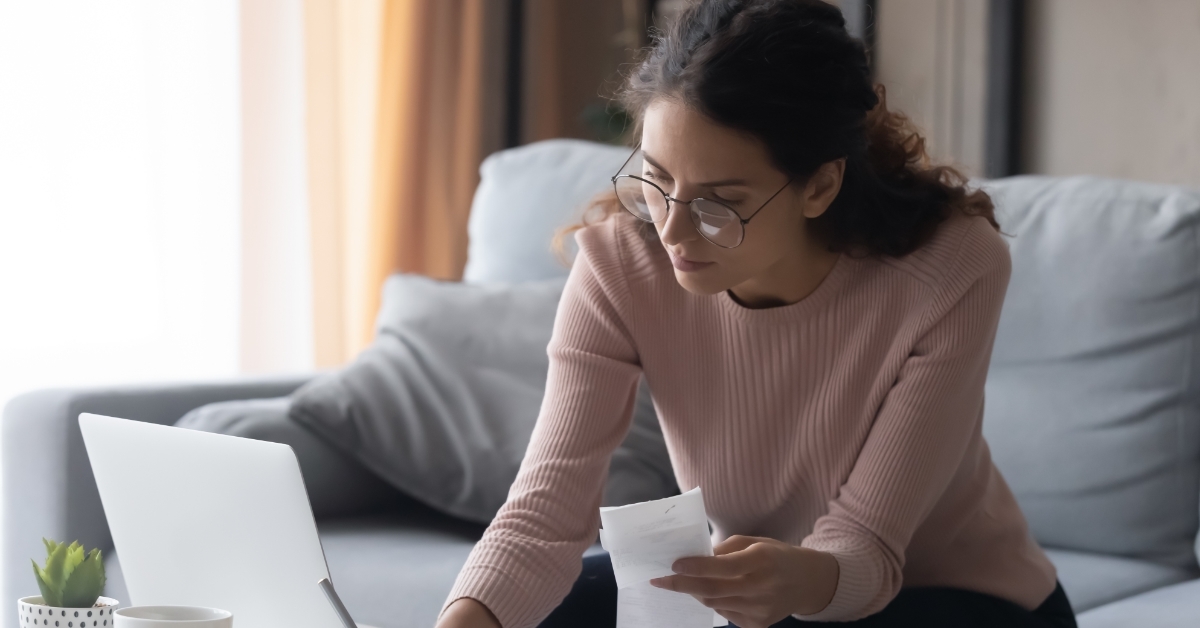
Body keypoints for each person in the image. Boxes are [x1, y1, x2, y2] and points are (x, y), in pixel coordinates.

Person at [435, 1, 1076, 627]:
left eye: (720, 204)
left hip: (959, 596)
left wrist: (794, 579)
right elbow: (543, 518)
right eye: (658, 182)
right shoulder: (620, 266)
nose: (674, 233)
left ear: (820, 186)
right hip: (774, 597)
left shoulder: (948, 268)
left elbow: (868, 549)